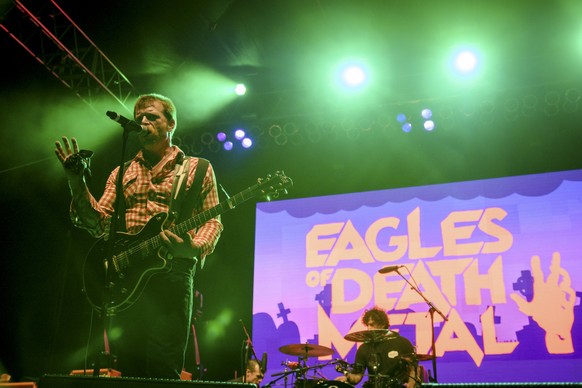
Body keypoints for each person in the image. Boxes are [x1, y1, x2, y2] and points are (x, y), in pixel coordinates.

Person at [54, 93, 223, 379]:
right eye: (139, 117)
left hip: (172, 272)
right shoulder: (122, 173)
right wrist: (77, 181)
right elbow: (97, 224)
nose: (143, 121)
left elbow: (213, 221)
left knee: (162, 367)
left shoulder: (198, 168)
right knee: (129, 369)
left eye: (152, 117)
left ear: (170, 123)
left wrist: (192, 248)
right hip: (129, 278)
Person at [337, 307, 418, 388]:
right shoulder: (364, 348)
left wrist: (411, 384)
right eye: (367, 325)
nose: (369, 328)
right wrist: (347, 376)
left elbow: (414, 368)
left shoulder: (402, 342)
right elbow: (357, 377)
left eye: (372, 324)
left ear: (382, 324)